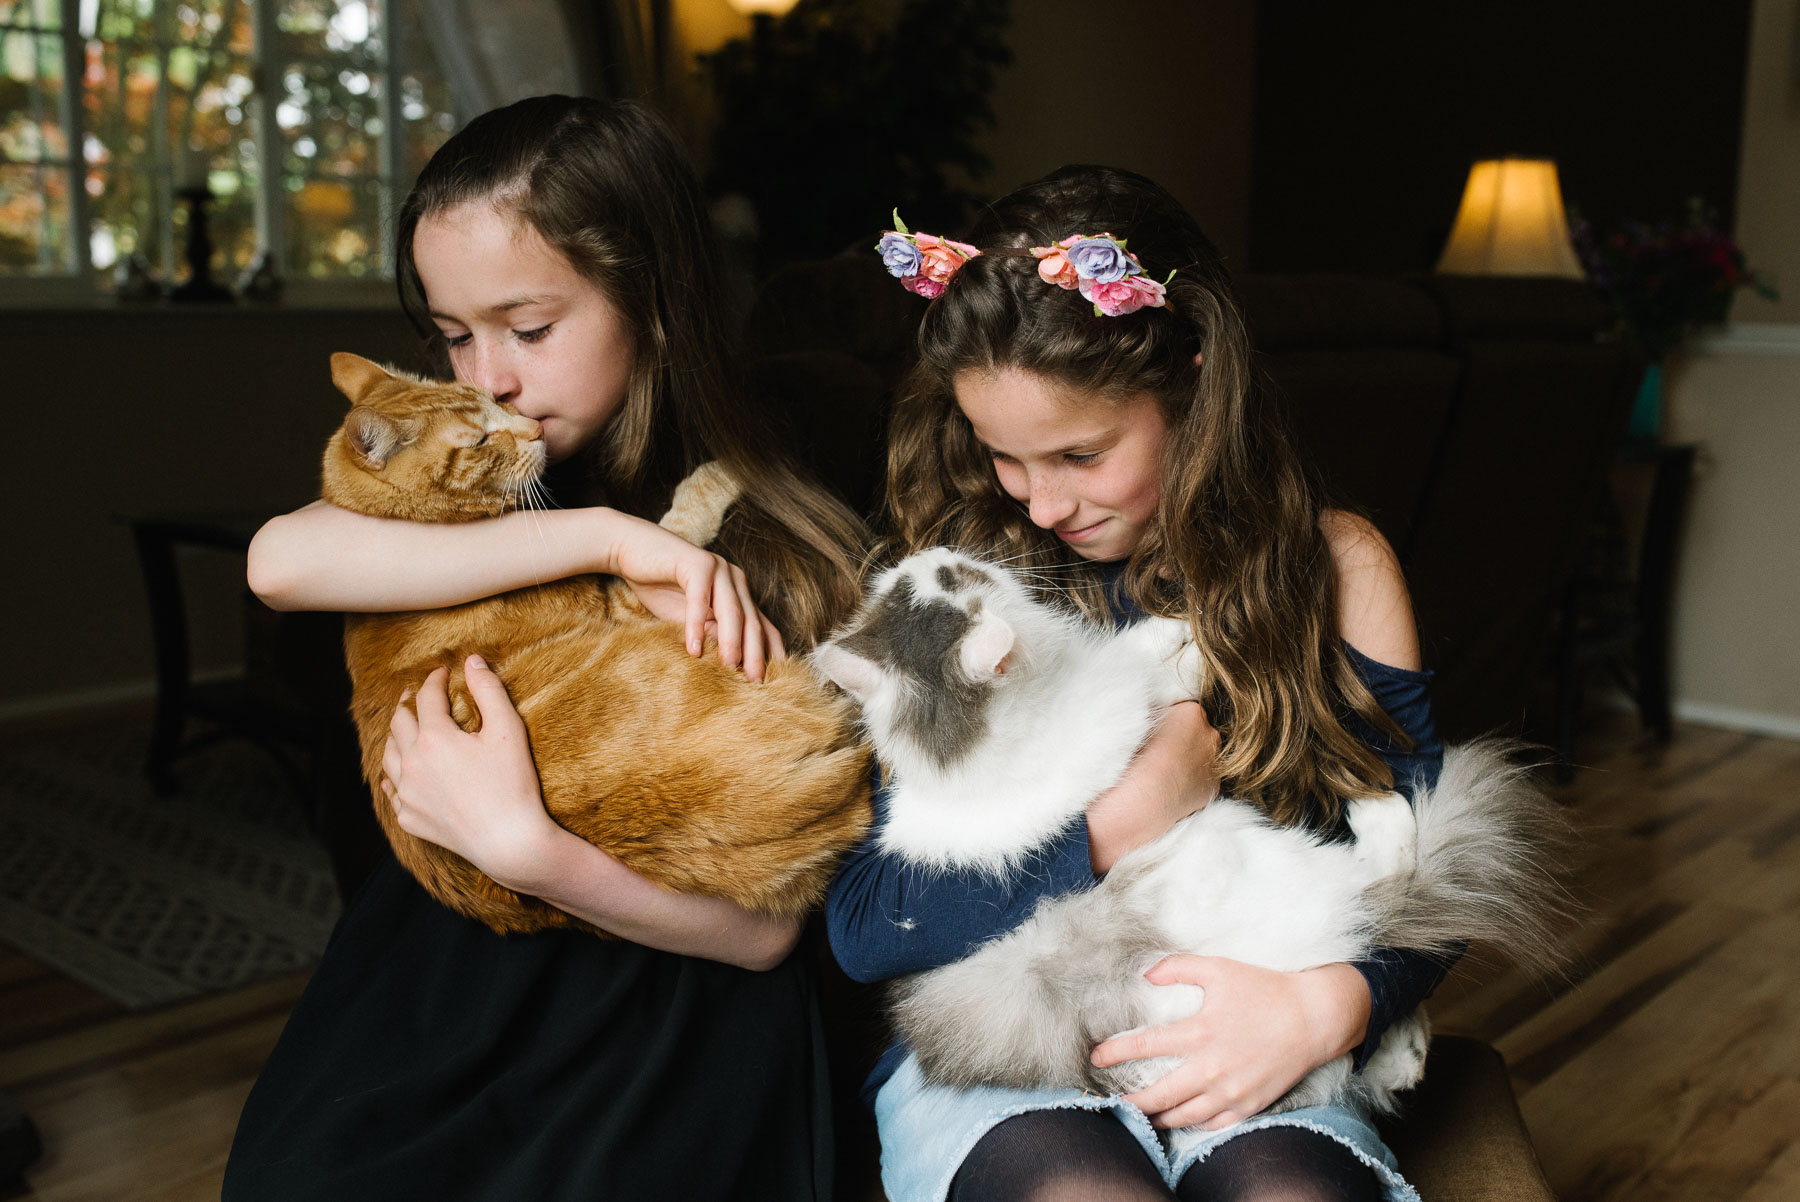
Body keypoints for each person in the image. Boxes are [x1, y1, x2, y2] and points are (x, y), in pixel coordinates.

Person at [224, 95, 868, 1201]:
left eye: (527, 329)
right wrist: (609, 542)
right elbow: (280, 561)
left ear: (651, 301)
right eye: (450, 334)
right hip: (455, 974)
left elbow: (766, 938)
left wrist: (527, 848)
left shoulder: (765, 542)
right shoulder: (481, 477)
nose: (488, 379)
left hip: (665, 998)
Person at [827, 165, 1451, 1202]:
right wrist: (1121, 819)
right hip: (1013, 1034)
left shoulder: (1340, 570)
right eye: (1003, 457)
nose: (1039, 504)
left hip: (1245, 1008)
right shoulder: (961, 594)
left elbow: (1426, 861)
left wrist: (1331, 1007)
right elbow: (865, 923)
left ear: (1193, 388)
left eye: (1081, 452)